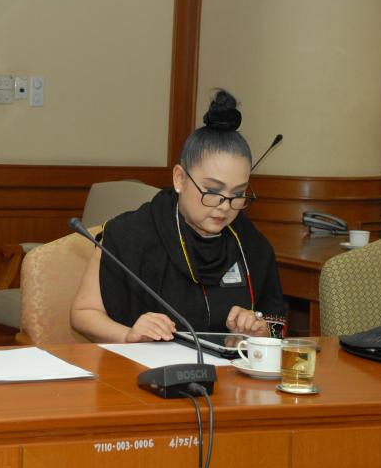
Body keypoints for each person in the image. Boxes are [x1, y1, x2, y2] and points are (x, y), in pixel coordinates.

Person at [71, 90, 286, 343]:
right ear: (179, 179)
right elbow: (82, 314)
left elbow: (278, 328)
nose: (225, 206)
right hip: (141, 365)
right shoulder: (129, 235)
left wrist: (259, 332)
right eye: (212, 191)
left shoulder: (250, 243)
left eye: (238, 194)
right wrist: (129, 335)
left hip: (227, 368)